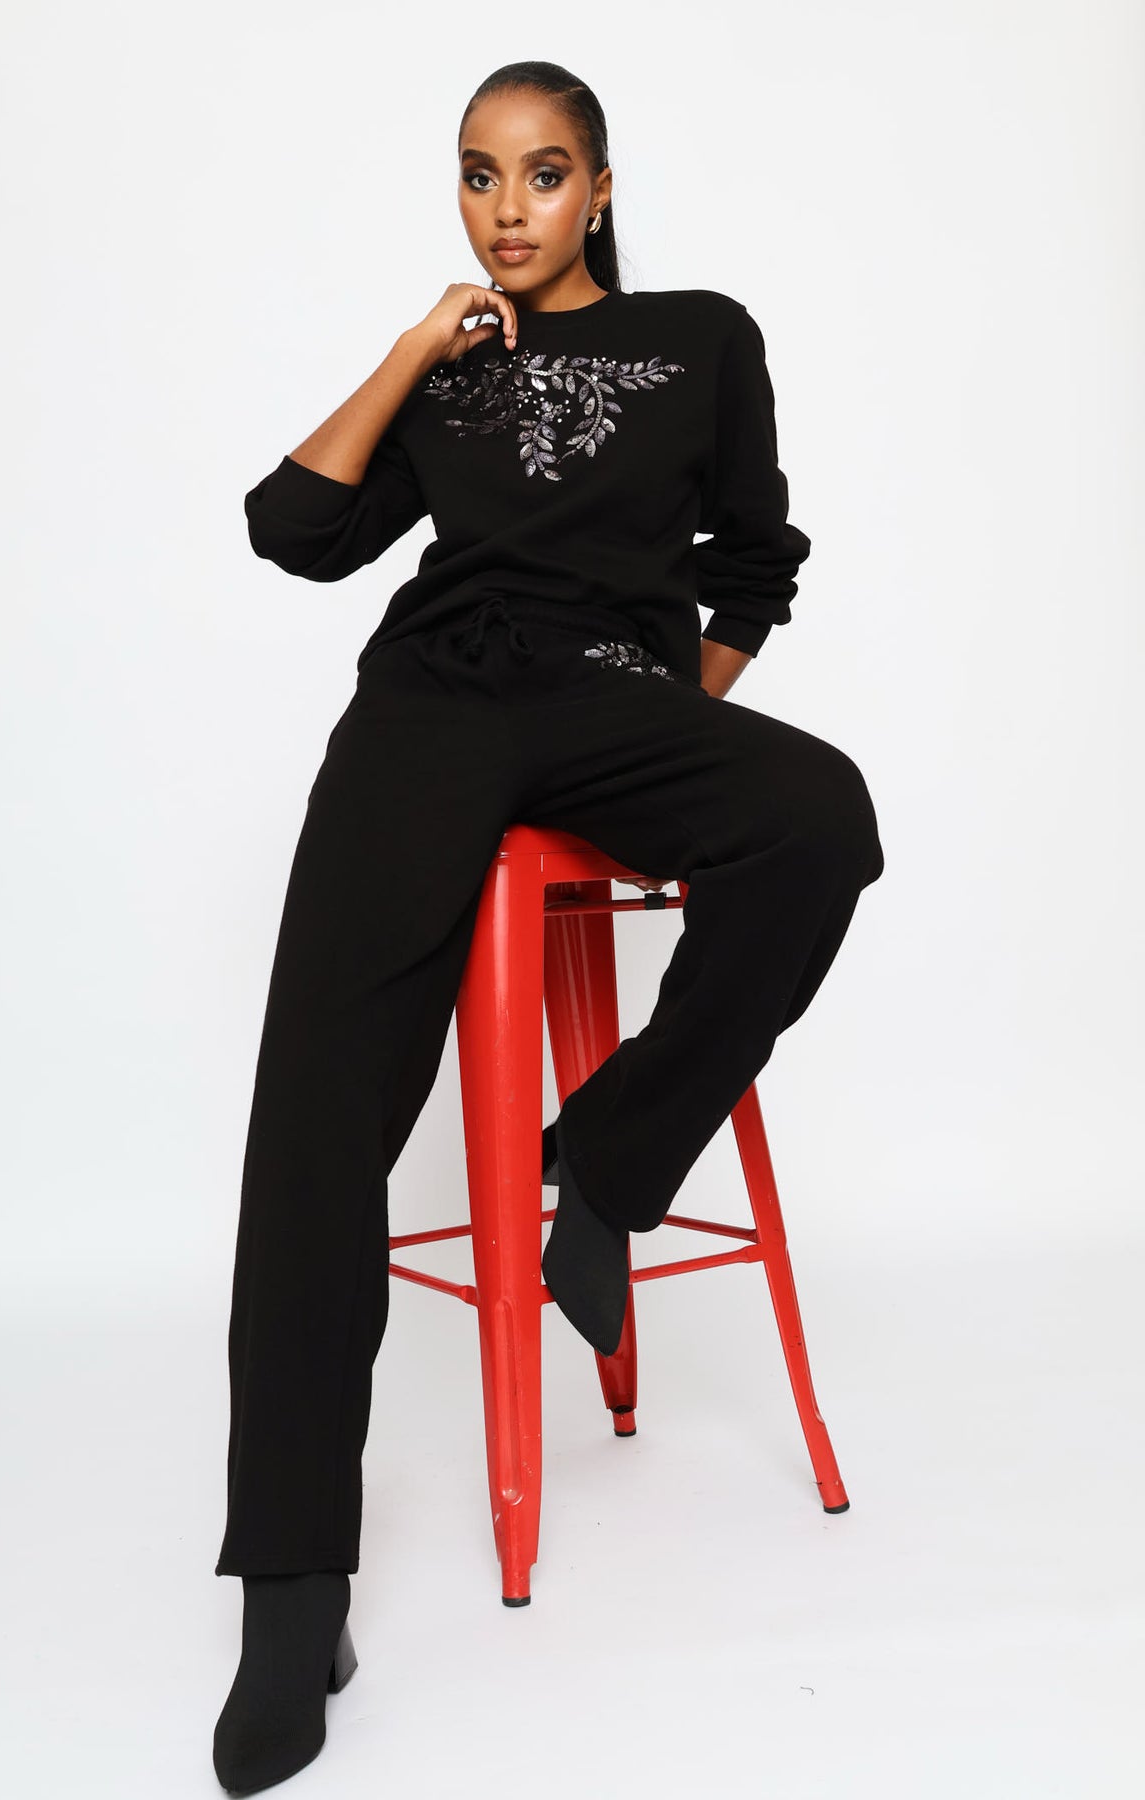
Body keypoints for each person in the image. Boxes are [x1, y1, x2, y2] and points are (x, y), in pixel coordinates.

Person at [212, 57, 885, 1795]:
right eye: (478, 175)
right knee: (317, 1120)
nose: (507, 209)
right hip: (430, 708)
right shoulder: (448, 371)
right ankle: (292, 1593)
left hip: (609, 694)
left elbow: (758, 557)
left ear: (599, 186)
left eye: (542, 173)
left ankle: (607, 1156)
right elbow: (293, 530)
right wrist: (409, 349)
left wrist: (673, 721)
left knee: (819, 818)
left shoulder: (701, 337)